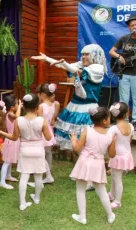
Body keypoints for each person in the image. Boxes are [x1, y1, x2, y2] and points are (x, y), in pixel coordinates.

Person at [32, 44, 107, 191]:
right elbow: (64, 66)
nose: (84, 57)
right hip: (75, 108)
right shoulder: (82, 66)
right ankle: (84, 174)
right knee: (78, 145)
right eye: (83, 54)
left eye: (87, 54)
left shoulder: (98, 69)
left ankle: (91, 179)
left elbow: (75, 70)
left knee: (87, 146)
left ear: (95, 56)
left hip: (88, 110)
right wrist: (46, 58)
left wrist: (64, 63)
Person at [0, 94, 51, 211]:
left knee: (24, 176)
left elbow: (14, 137)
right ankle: (37, 198)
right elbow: (48, 138)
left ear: (23, 106)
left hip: (24, 150)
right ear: (37, 106)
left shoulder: (18, 120)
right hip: (38, 150)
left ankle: (22, 203)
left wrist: (1, 132)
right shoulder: (42, 121)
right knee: (38, 175)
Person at [70, 107, 116, 225]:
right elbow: (112, 154)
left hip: (84, 161)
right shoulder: (111, 135)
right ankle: (110, 215)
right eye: (109, 117)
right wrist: (113, 143)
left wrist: (74, 140)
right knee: (101, 190)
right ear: (104, 121)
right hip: (98, 164)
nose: (110, 119)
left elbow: (77, 149)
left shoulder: (87, 130)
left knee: (80, 190)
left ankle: (82, 217)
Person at [109, 14, 136, 131]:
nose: (134, 27)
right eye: (132, 25)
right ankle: (125, 120)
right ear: (129, 27)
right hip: (124, 73)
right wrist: (119, 57)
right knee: (124, 99)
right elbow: (111, 51)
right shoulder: (124, 38)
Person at [108, 102, 134, 209]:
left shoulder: (113, 129)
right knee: (114, 175)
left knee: (117, 178)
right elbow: (130, 141)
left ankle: (117, 201)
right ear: (126, 114)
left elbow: (110, 144)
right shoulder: (131, 126)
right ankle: (111, 193)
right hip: (126, 154)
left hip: (118, 156)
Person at [0, 95, 22, 189]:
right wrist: (20, 106)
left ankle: (8, 176)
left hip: (14, 139)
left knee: (10, 160)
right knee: (7, 161)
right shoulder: (10, 114)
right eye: (16, 104)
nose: (18, 105)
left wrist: (18, 106)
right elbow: (17, 117)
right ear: (12, 107)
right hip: (11, 140)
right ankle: (2, 182)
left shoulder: (8, 112)